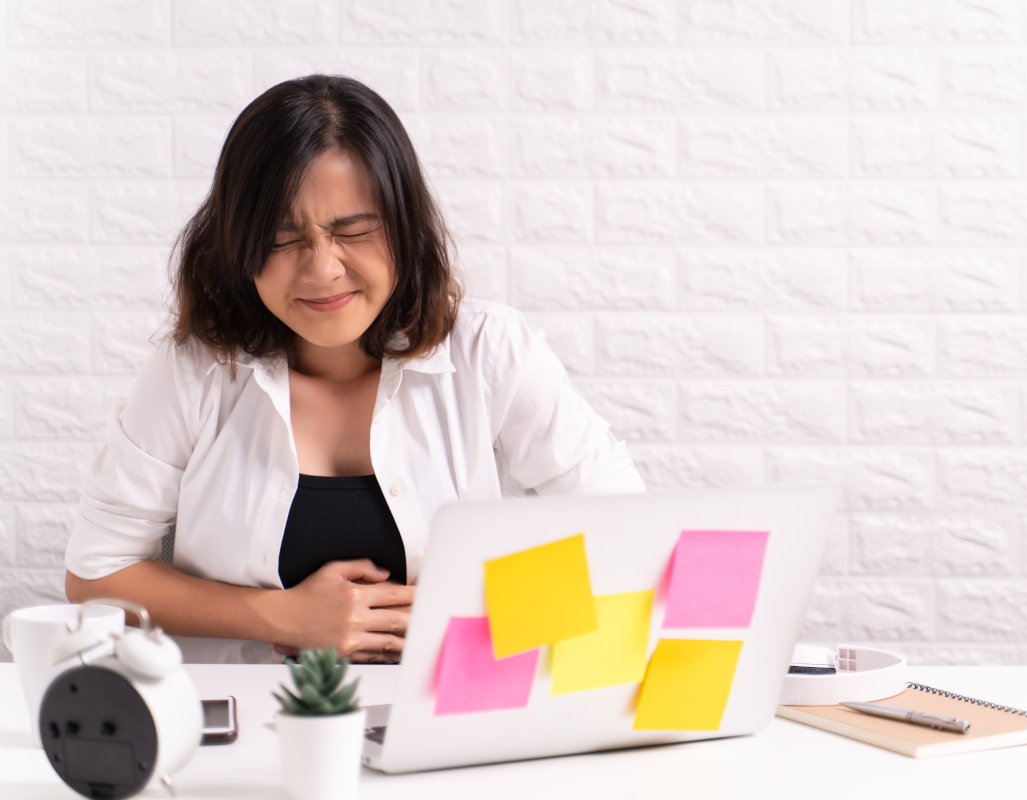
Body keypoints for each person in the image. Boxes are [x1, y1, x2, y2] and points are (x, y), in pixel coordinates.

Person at [63, 75, 645, 664]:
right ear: (239, 246)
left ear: (405, 227)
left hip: (451, 706)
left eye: (355, 232)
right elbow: (94, 574)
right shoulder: (196, 369)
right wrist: (281, 615)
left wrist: (473, 611)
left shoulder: (490, 351)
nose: (322, 270)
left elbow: (632, 534)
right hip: (249, 712)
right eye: (281, 239)